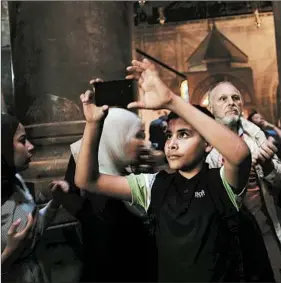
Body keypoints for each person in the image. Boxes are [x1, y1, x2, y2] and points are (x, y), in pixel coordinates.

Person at [74, 59, 251, 282]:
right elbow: (86, 180)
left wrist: (171, 100)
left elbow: (240, 153)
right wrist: (92, 125)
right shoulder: (154, 185)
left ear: (207, 144)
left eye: (184, 135)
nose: (172, 144)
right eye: (169, 135)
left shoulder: (221, 183)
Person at [50, 107, 154, 282]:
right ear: (116, 138)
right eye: (138, 136)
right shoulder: (104, 199)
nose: (145, 143)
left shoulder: (126, 170)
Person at [206, 81, 281, 283]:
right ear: (211, 108)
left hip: (265, 231)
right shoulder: (203, 144)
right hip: (226, 240)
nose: (231, 103)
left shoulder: (256, 137)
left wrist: (268, 166)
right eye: (223, 99)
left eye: (235, 98)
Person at [1, 114, 65, 283]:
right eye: (22, 141)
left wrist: (55, 202)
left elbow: (32, 228)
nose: (31, 147)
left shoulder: (16, 183)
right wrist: (9, 253)